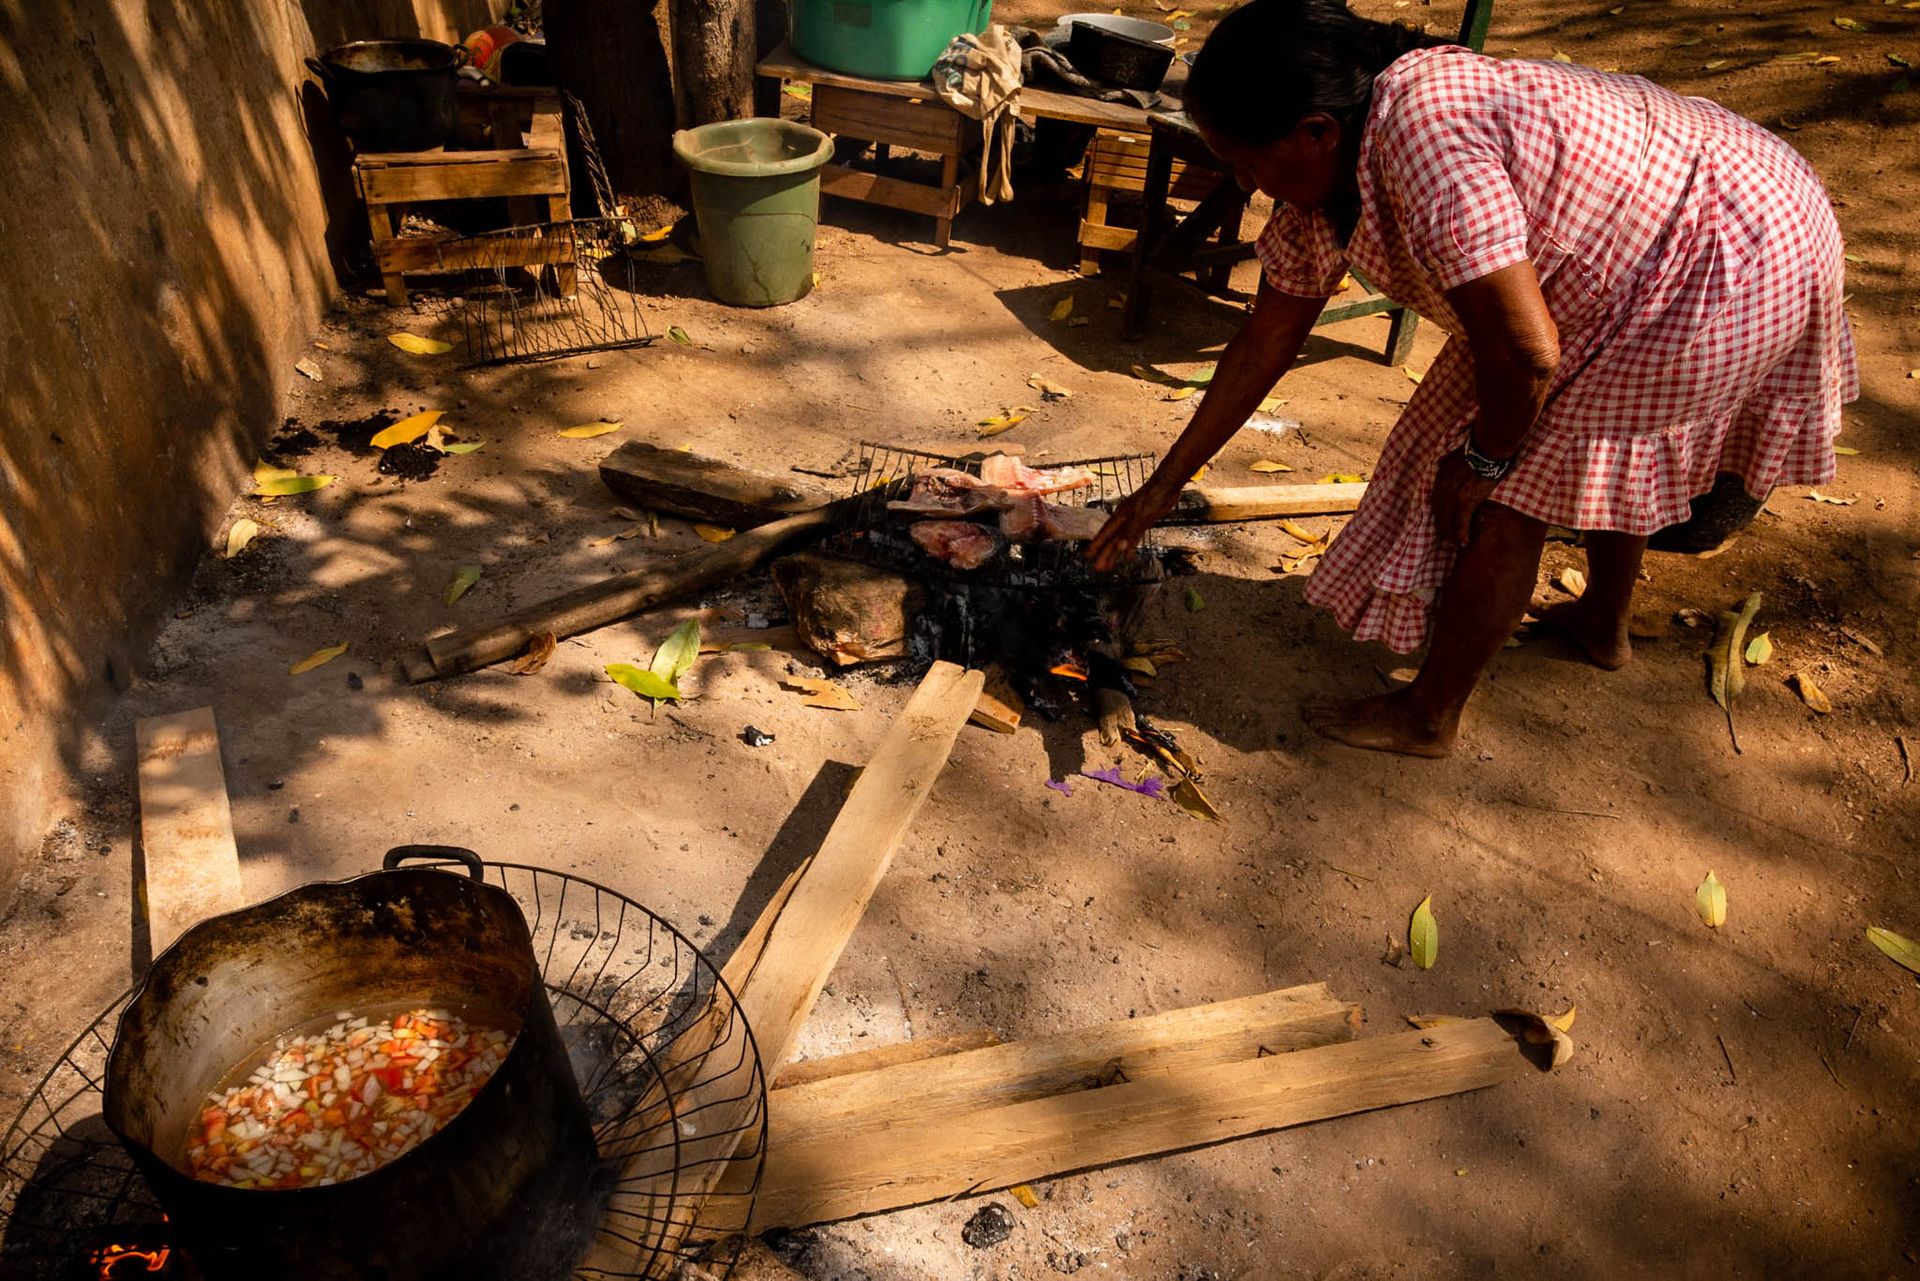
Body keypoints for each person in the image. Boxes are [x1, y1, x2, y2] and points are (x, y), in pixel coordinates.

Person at [1085, 0, 1857, 757]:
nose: (1247, 184)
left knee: (1509, 496)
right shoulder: (1334, 166)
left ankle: (1429, 715)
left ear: (1317, 131)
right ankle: (1602, 622)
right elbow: (1263, 343)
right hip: (1692, 222)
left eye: (1248, 163)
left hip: (1732, 244)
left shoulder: (1426, 137)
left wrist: (1485, 461)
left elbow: (1526, 354)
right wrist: (1161, 489)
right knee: (1582, 442)